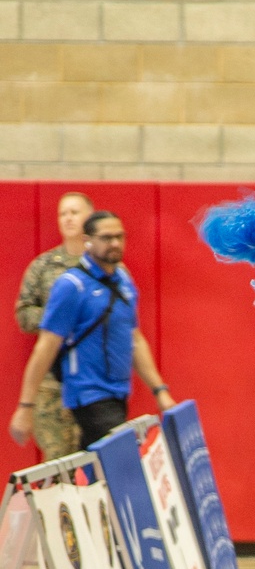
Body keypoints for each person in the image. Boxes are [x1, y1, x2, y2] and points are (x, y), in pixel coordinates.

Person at [8, 210, 174, 451]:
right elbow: (46, 346)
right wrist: (25, 407)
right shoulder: (71, 285)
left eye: (120, 236)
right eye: (106, 238)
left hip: (118, 392)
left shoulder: (123, 281)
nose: (115, 243)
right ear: (88, 240)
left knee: (93, 467)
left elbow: (134, 339)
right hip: (88, 393)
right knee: (123, 458)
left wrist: (160, 391)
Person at [13, 190, 94, 461]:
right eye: (63, 213)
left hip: (94, 384)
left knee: (94, 467)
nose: (68, 218)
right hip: (51, 387)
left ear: (90, 217)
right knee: (58, 466)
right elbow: (24, 314)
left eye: (74, 212)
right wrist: (57, 318)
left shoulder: (104, 266)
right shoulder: (44, 266)